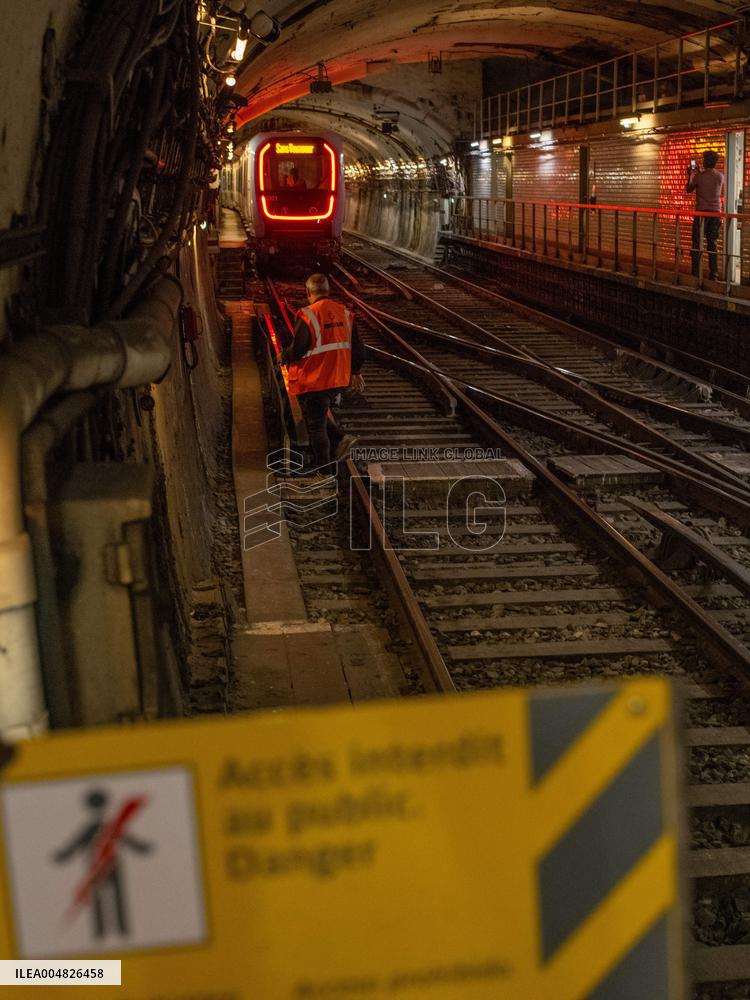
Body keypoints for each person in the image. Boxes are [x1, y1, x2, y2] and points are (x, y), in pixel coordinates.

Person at [281, 273, 365, 480]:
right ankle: (342, 438)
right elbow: (359, 348)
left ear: (308, 292)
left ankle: (324, 471)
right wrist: (355, 372)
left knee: (316, 426)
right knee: (316, 414)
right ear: (328, 290)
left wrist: (284, 355)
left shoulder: (309, 314)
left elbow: (298, 348)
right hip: (337, 377)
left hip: (317, 377)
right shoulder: (345, 313)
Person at [686, 150, 724, 280]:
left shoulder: (699, 177)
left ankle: (696, 271)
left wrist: (690, 174)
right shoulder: (720, 176)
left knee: (697, 242)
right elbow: (709, 180)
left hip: (701, 214)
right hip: (715, 214)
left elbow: (688, 189)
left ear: (705, 161)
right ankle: (714, 273)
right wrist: (700, 172)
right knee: (712, 242)